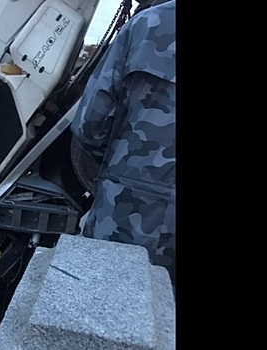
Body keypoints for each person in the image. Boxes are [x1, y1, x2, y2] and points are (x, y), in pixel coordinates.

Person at [70, 0, 176, 290]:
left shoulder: (145, 26)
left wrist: (122, 171)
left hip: (123, 216)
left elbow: (90, 126)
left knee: (105, 313)